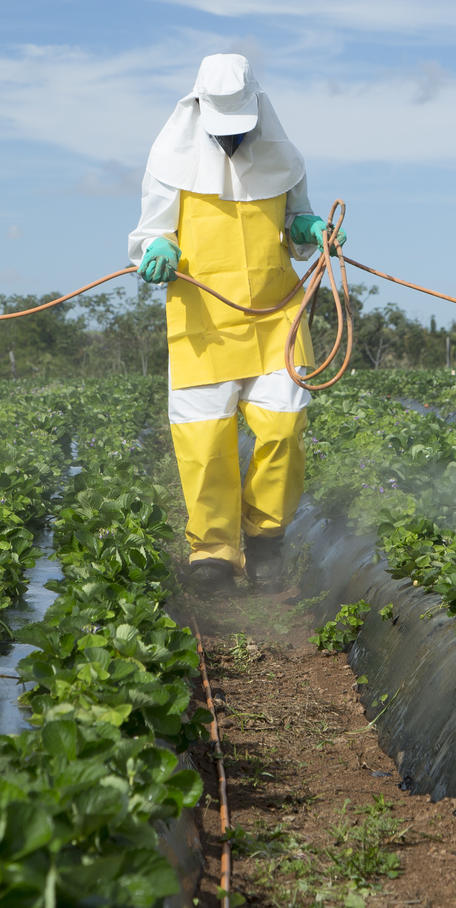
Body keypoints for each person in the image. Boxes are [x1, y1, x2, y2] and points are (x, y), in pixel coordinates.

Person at [129, 53, 342, 590]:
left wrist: (310, 228)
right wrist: (158, 249)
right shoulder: (168, 160)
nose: (232, 141)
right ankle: (214, 551)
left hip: (276, 318)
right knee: (205, 441)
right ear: (198, 110)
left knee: (285, 427)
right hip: (203, 320)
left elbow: (295, 228)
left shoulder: (283, 157)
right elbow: (151, 232)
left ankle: (266, 536)